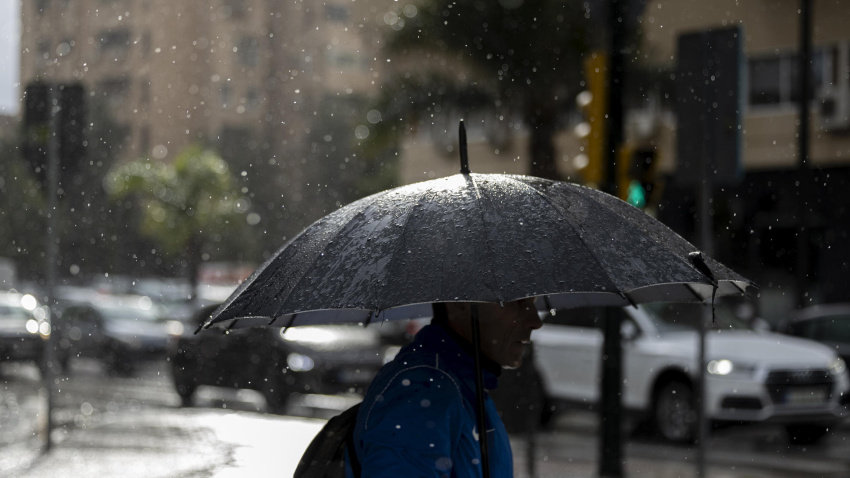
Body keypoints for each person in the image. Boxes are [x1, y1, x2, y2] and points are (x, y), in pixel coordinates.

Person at [345, 298, 543, 478]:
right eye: (517, 302)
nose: (535, 320)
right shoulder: (423, 390)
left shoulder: (462, 383)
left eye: (532, 301)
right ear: (460, 303)